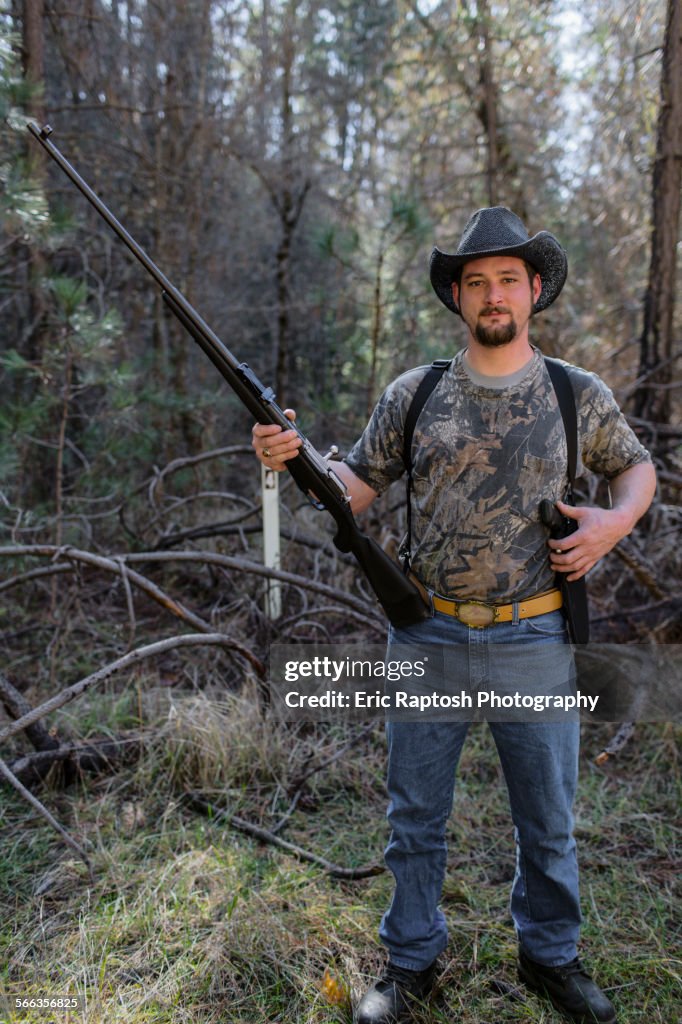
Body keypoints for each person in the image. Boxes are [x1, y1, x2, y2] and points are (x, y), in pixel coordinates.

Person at [252, 207, 656, 1024]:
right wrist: (296, 457)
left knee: (547, 817)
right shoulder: (417, 392)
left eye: (508, 278)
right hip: (428, 629)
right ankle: (411, 962)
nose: (493, 294)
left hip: (535, 634)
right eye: (477, 282)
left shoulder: (577, 394)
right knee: (414, 815)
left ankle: (550, 957)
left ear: (534, 289)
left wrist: (612, 526)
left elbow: (636, 470)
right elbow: (353, 488)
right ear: (459, 298)